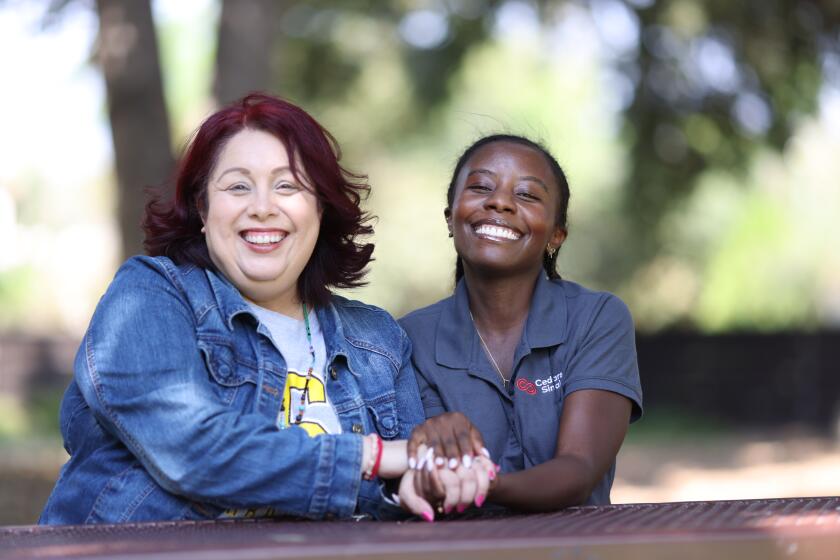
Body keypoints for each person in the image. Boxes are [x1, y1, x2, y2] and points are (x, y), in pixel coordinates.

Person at [39, 93, 479, 524]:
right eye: (237, 186)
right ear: (202, 209)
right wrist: (375, 456)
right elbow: (192, 448)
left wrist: (417, 485)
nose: (264, 207)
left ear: (320, 209)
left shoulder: (376, 339)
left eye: (287, 186)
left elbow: (396, 486)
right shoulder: (150, 296)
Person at [401, 134, 643, 511]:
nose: (499, 201)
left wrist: (481, 484)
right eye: (480, 187)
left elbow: (579, 468)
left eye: (528, 195)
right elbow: (421, 473)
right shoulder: (407, 339)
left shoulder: (598, 318)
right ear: (451, 217)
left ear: (556, 235)